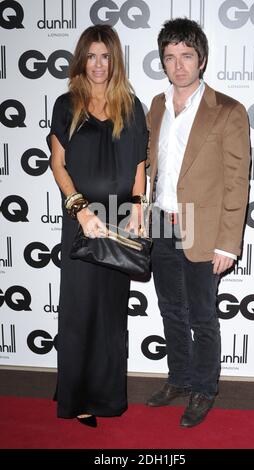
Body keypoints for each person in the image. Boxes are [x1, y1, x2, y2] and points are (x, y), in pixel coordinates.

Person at [146, 18, 250, 427]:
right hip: (162, 221)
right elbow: (150, 166)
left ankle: (204, 389)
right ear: (163, 62)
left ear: (201, 58)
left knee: (202, 315)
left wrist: (228, 243)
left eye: (186, 56)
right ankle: (179, 377)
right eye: (170, 57)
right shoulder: (156, 105)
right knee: (170, 309)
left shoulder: (228, 111)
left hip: (202, 228)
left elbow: (237, 182)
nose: (179, 65)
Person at [47, 24, 148, 427]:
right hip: (82, 220)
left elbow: (140, 163)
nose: (98, 64)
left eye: (105, 56)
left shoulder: (131, 105)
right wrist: (80, 210)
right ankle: (77, 397)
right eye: (91, 55)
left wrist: (139, 207)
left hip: (120, 223)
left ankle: (106, 397)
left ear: (115, 60)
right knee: (79, 312)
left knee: (110, 314)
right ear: (81, 59)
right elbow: (58, 163)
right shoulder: (66, 104)